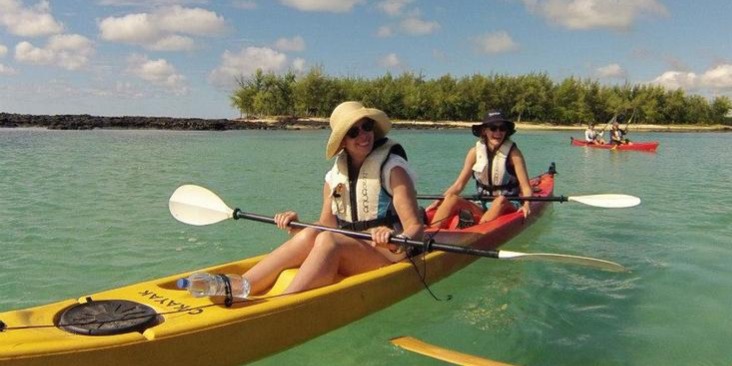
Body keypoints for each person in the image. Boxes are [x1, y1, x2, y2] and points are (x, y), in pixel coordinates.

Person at [242, 101, 424, 295]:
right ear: (342, 141)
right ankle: (242, 285)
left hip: (391, 253)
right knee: (312, 233)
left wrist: (397, 239)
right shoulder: (335, 178)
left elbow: (415, 228)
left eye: (367, 126)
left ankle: (284, 302)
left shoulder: (393, 170)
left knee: (330, 241)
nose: (363, 135)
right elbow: (326, 224)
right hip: (355, 247)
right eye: (353, 132)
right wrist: (297, 226)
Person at [428, 111, 533, 228]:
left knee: (500, 200)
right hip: (482, 203)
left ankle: (477, 233)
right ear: (484, 131)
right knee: (451, 198)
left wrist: (527, 204)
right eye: (493, 128)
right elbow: (459, 185)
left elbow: (526, 187)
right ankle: (430, 234)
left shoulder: (514, 154)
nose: (498, 132)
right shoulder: (474, 153)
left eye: (502, 128)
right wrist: (438, 201)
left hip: (508, 204)